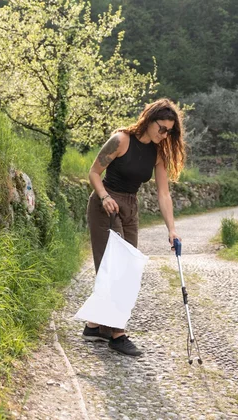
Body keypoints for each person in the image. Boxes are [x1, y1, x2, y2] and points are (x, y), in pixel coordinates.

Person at [82, 99, 186, 357]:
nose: (165, 135)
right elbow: (94, 172)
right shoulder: (121, 140)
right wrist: (105, 197)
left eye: (169, 131)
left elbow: (164, 193)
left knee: (128, 268)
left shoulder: (158, 152)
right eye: (162, 128)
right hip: (106, 205)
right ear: (149, 120)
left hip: (130, 207)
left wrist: (172, 229)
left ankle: (94, 326)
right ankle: (117, 335)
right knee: (115, 269)